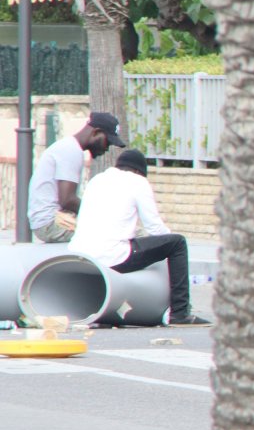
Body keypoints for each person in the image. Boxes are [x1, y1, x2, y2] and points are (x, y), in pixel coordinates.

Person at [67, 149, 209, 326]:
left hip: (80, 256)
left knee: (138, 242)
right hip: (112, 256)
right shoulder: (139, 182)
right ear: (139, 171)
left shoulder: (97, 180)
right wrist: (166, 240)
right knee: (177, 243)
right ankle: (179, 312)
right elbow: (155, 229)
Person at [27, 111, 125, 243]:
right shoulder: (71, 150)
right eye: (107, 142)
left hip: (49, 221)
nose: (107, 148)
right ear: (96, 132)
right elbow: (67, 200)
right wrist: (100, 215)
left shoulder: (68, 146)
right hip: (52, 224)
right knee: (119, 234)